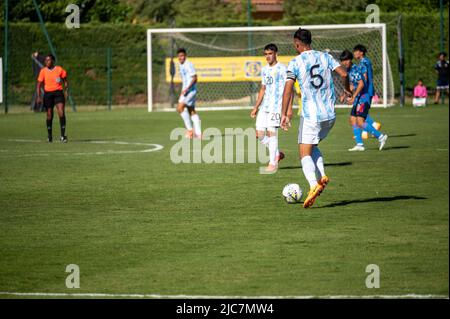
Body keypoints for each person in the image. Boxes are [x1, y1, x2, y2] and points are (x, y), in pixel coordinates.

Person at [280, 28, 351, 209]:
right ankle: (322, 176)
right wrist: (347, 89)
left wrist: (284, 113)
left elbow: (288, 88)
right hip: (330, 115)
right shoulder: (325, 56)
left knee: (303, 152)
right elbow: (344, 73)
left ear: (297, 44)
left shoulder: (295, 62)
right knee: (313, 147)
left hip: (311, 115)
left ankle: (313, 185)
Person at [340, 50, 388, 152]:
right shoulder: (348, 70)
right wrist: (344, 94)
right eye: (343, 61)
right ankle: (360, 144)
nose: (344, 62)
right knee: (352, 119)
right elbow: (353, 85)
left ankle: (381, 136)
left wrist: (353, 97)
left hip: (363, 98)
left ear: (350, 60)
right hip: (358, 98)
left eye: (346, 60)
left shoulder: (355, 69)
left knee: (360, 122)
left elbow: (361, 84)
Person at [250, 43, 286, 172]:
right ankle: (276, 153)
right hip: (264, 106)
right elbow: (263, 89)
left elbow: (289, 89)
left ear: (276, 54)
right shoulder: (264, 70)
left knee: (272, 134)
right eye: (265, 54)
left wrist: (287, 110)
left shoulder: (282, 69)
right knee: (259, 134)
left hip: (276, 107)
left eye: (270, 54)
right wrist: (256, 107)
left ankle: (272, 163)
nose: (268, 56)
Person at [36, 54, 68, 143]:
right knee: (49, 114)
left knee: (61, 112)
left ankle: (62, 136)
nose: (47, 62)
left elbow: (65, 81)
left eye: (49, 60)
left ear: (53, 61)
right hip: (48, 94)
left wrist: (66, 91)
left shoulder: (59, 69)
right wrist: (39, 97)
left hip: (58, 93)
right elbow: (39, 85)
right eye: (46, 60)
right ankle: (49, 136)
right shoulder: (43, 71)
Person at [353, 44, 382, 140]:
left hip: (365, 92)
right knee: (360, 113)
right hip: (365, 91)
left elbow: (364, 78)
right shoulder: (364, 61)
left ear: (361, 52)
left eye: (356, 51)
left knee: (359, 113)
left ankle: (372, 128)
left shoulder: (364, 62)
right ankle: (367, 130)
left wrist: (358, 87)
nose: (354, 53)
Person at [176, 48, 201, 139]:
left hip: (190, 91)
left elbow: (195, 78)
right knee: (191, 110)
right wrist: (183, 90)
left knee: (180, 108)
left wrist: (187, 89)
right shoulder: (180, 65)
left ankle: (190, 131)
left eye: (182, 56)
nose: (181, 57)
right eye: (179, 56)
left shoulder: (188, 64)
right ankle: (198, 133)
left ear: (185, 56)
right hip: (185, 91)